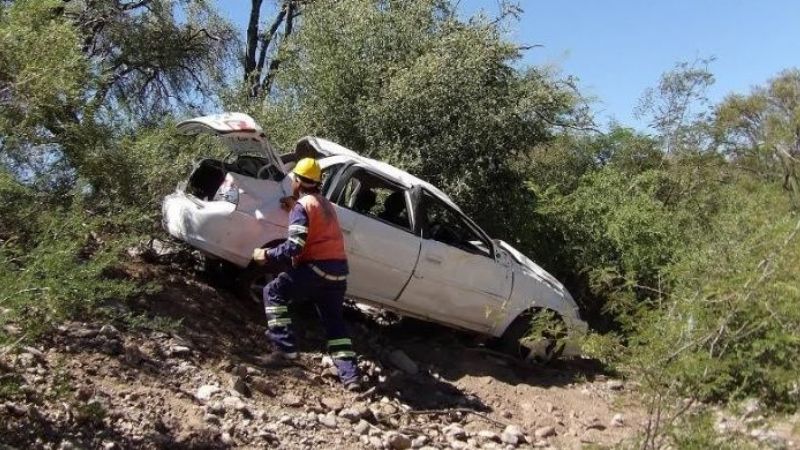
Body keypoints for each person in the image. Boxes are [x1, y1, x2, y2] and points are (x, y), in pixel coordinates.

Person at [252, 158, 361, 390]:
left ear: (298, 181)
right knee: (334, 325)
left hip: (317, 269)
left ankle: (284, 350)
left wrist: (266, 255)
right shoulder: (324, 204)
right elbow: (315, 221)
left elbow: (295, 247)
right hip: (338, 273)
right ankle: (351, 377)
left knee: (274, 291)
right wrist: (294, 206)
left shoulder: (303, 207)